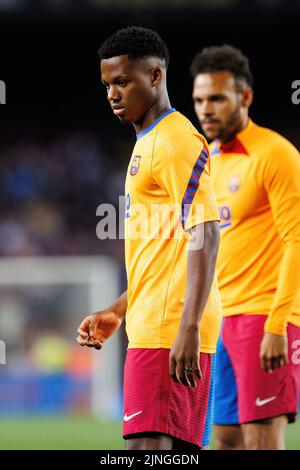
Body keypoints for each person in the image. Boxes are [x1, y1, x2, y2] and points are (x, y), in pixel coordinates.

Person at [77, 26, 222, 450]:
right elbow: (164, 250)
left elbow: (206, 231)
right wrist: (120, 309)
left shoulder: (175, 140)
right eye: (107, 85)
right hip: (155, 327)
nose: (112, 94)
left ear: (155, 77)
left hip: (170, 330)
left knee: (146, 451)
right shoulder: (148, 143)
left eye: (123, 81)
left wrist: (189, 327)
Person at [191, 44, 300, 450]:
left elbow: (297, 240)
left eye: (217, 98)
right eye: (200, 100)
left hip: (264, 318)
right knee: (225, 438)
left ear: (245, 97)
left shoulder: (275, 154)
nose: (206, 109)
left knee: (261, 439)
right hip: (219, 321)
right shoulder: (209, 162)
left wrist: (277, 325)